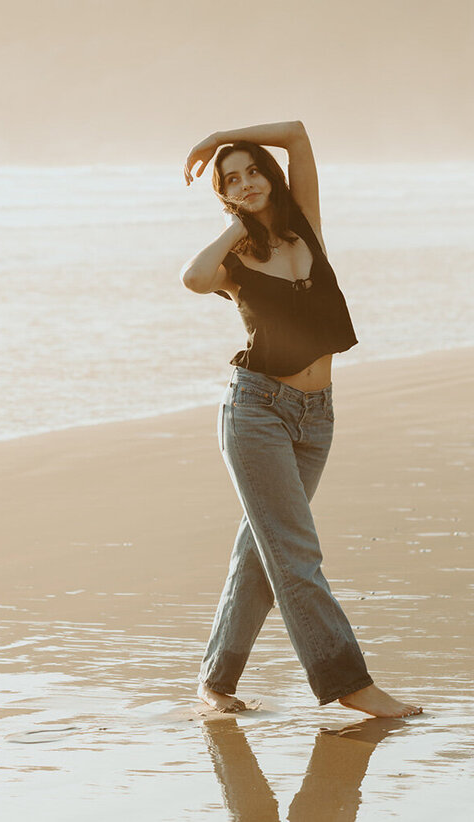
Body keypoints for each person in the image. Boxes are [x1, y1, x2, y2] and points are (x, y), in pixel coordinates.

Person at [181, 119, 422, 718]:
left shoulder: (305, 225)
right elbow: (191, 279)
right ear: (226, 196)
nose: (246, 182)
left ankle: (216, 681)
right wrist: (235, 223)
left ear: (271, 175)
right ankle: (348, 682)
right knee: (294, 553)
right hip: (256, 411)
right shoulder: (233, 259)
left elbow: (297, 133)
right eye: (231, 180)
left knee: (261, 552)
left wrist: (217, 138)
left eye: (253, 171)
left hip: (317, 417)